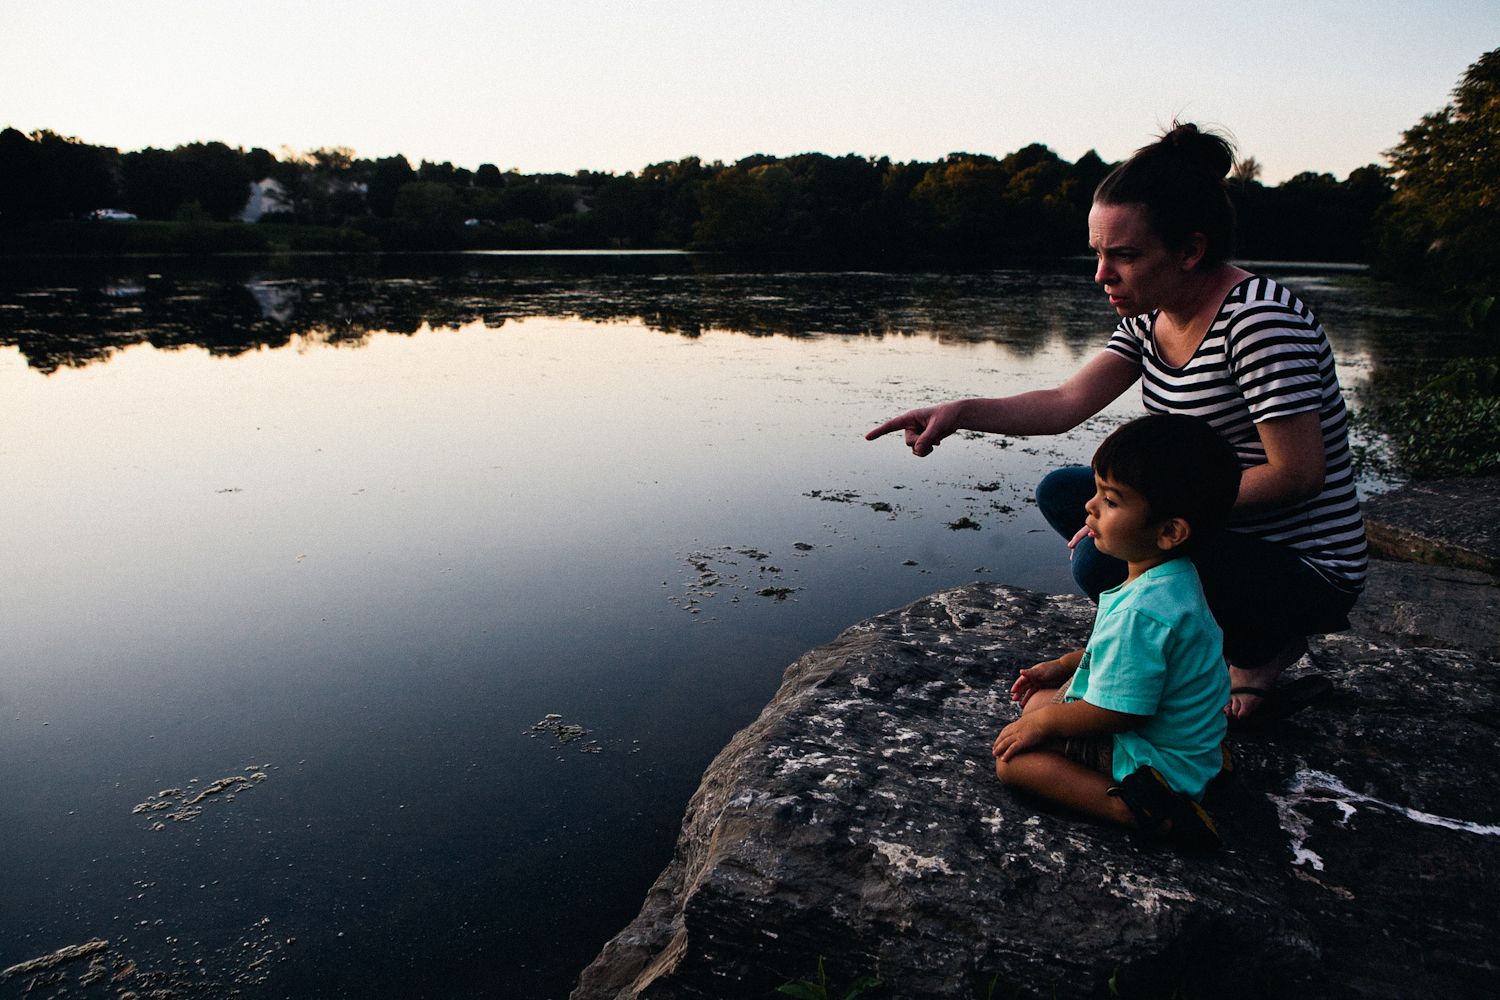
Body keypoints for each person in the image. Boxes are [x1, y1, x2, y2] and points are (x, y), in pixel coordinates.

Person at [866, 122, 1366, 727]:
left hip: (1302, 562)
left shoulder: (1259, 322)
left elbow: (1298, 475)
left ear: (1190, 250)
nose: (1102, 275)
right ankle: (1218, 637)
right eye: (1098, 253)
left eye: (1124, 256)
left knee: (1101, 558)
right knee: (1064, 494)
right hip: (1221, 529)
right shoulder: (1150, 316)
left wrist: (1149, 517)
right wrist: (961, 412)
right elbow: (1063, 403)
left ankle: (1262, 646)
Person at [991, 414, 1239, 849]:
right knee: (1042, 700)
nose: (1089, 507)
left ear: (1169, 532)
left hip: (1151, 755)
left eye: (1111, 500)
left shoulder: (1143, 611)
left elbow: (1125, 712)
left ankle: (1141, 809)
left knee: (1017, 759)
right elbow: (1133, 660)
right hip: (1183, 741)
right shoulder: (1172, 579)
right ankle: (1206, 761)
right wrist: (1065, 665)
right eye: (1097, 490)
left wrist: (1046, 724)